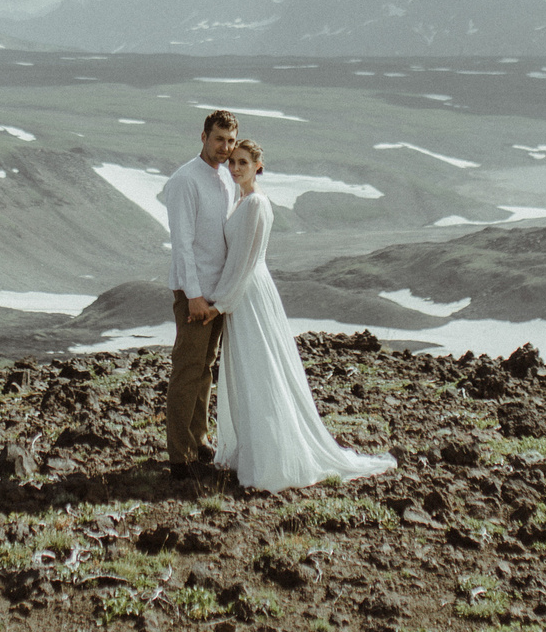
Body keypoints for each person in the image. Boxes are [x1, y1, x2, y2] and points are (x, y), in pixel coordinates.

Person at [208, 139, 396, 492]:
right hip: (243, 297)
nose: (235, 168)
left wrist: (219, 304)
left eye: (243, 163)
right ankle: (256, 449)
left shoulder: (256, 204)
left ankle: (275, 459)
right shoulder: (241, 200)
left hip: (249, 295)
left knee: (262, 370)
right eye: (232, 162)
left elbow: (245, 264)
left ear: (257, 166)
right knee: (249, 371)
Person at [158, 109, 238, 476]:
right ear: (203, 136)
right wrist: (193, 295)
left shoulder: (224, 176)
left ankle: (198, 438)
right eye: (219, 138)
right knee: (187, 369)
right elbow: (183, 245)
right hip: (195, 292)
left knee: (205, 367)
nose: (225, 147)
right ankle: (180, 456)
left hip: (216, 293)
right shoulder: (185, 181)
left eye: (230, 140)